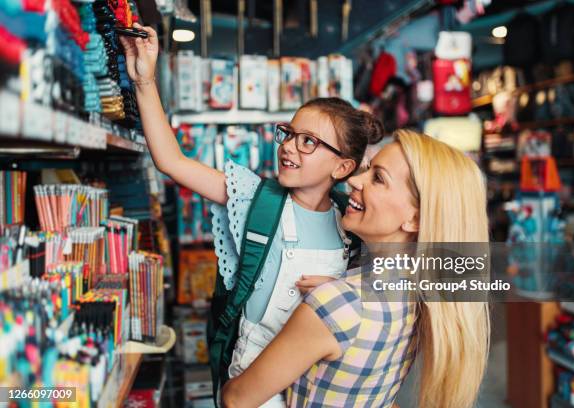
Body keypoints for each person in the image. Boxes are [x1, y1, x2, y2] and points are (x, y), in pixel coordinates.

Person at [118, 24, 384, 407]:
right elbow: (172, 161)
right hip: (250, 381)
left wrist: (340, 292)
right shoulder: (256, 199)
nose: (289, 147)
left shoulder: (352, 224)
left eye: (308, 142)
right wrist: (144, 81)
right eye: (289, 134)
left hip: (314, 385)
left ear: (342, 168)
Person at [222, 130, 490, 408]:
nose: (353, 180)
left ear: (415, 219)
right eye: (368, 169)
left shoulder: (338, 305)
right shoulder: (420, 295)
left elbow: (236, 399)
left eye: (378, 178)